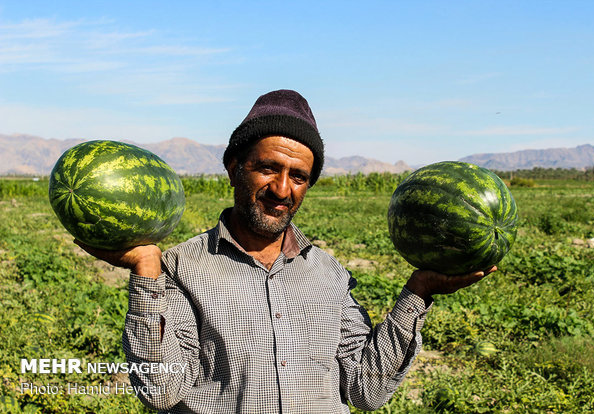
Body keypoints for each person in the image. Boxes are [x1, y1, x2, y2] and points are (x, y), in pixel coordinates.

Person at [80, 89, 495, 413]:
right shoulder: (179, 268)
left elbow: (366, 389)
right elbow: (161, 390)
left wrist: (418, 293)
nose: (282, 190)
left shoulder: (329, 274)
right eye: (267, 168)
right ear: (233, 167)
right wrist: (146, 271)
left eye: (298, 176)